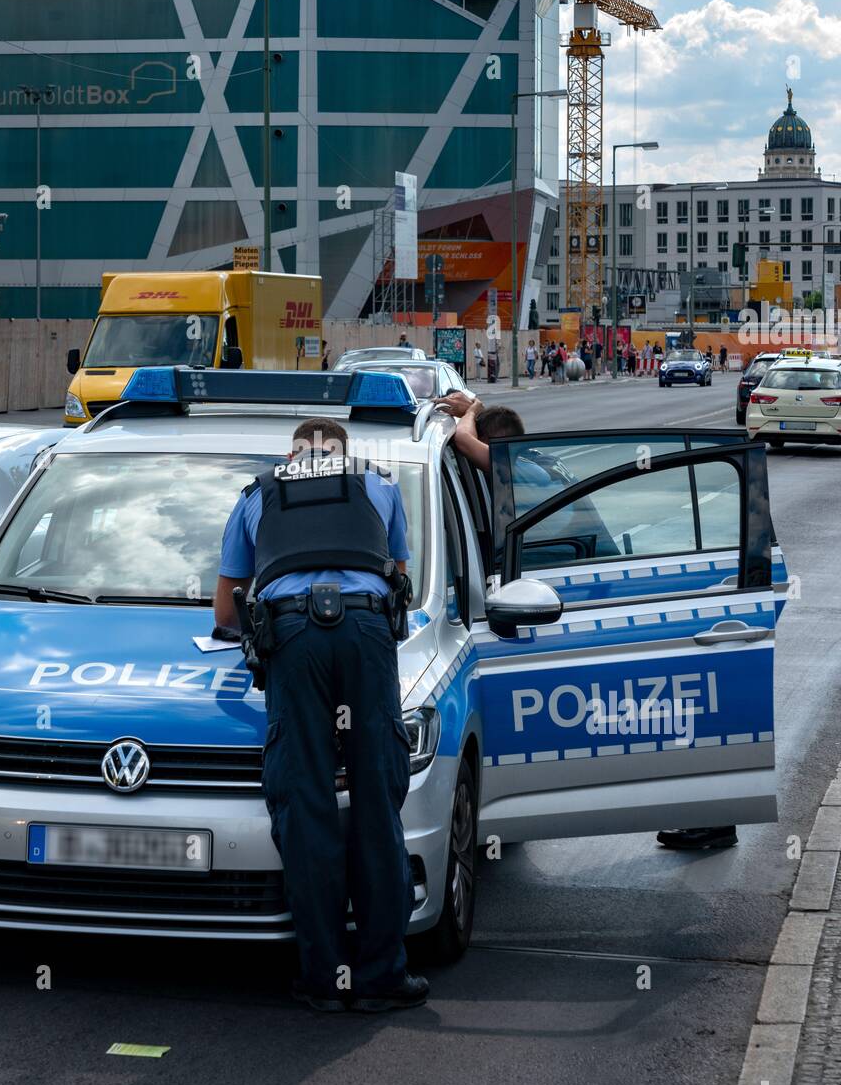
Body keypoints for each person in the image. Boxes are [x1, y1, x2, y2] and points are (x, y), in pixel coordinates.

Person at [434, 394, 735, 854]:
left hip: (585, 603)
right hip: (589, 591)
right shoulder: (541, 462)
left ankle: (713, 816)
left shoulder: (520, 470)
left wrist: (469, 407)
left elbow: (462, 439)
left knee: (642, 718)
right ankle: (708, 812)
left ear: (498, 449)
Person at [215, 417, 427, 1015]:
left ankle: (322, 978)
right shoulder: (380, 484)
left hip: (291, 637)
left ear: (291, 455)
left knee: (304, 801)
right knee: (376, 796)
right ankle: (383, 976)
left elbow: (227, 611)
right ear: (345, 454)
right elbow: (400, 580)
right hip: (364, 627)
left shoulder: (257, 493)